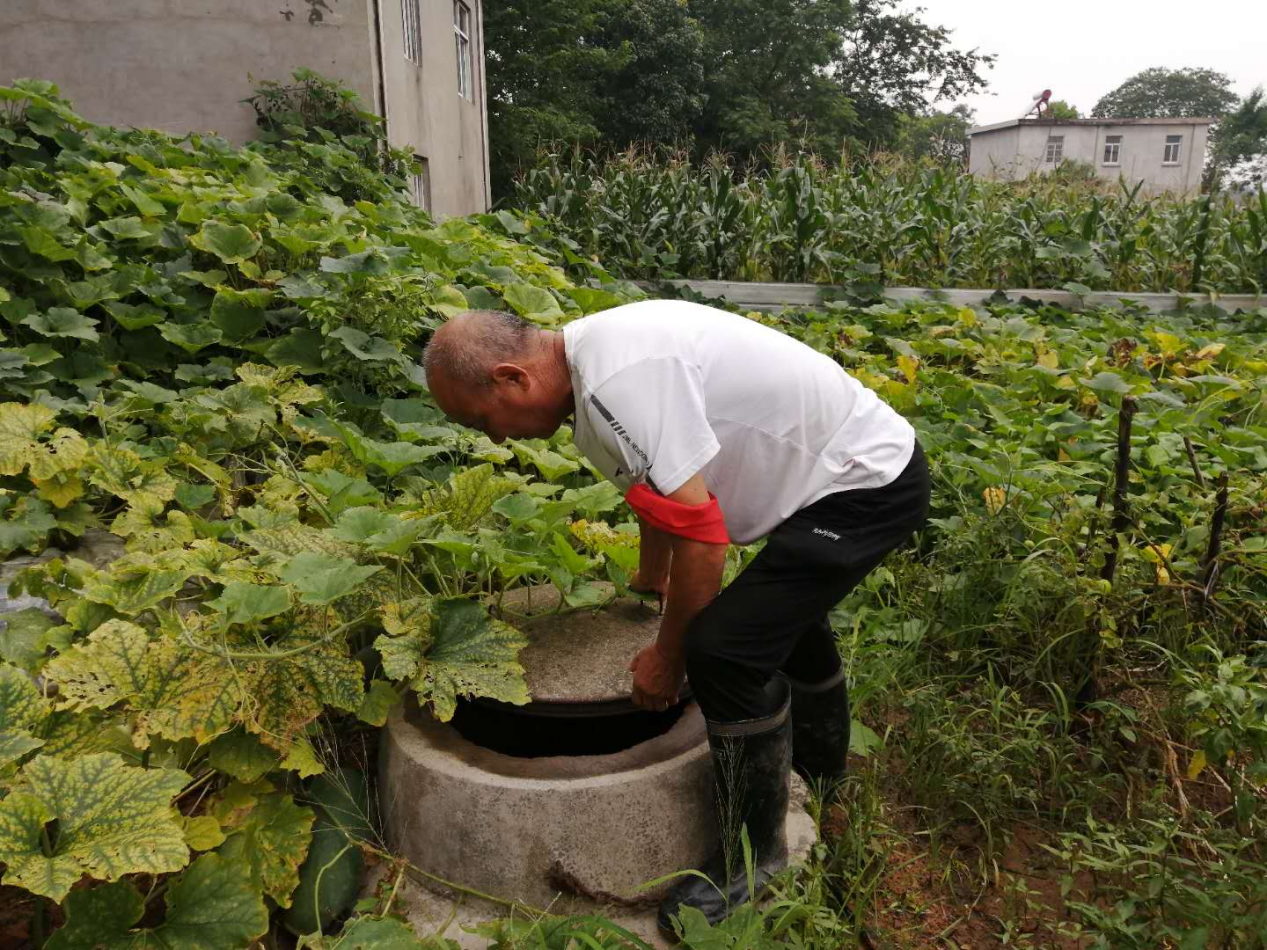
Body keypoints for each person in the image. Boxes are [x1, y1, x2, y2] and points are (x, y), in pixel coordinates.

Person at [422, 300, 930, 931]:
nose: (496, 437)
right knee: (776, 617)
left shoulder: (616, 383)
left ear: (512, 377)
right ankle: (822, 771)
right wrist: (649, 581)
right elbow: (659, 494)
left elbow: (704, 539)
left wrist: (668, 656)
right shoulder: (591, 367)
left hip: (866, 483)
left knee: (722, 650)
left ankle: (757, 858)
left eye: (484, 419)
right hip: (837, 474)